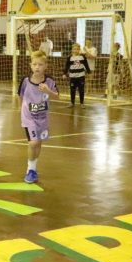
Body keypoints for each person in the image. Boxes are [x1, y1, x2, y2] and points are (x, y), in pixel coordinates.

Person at [18, 51, 59, 183]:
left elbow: (57, 96)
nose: (37, 67)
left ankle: (34, 168)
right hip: (29, 117)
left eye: (40, 64)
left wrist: (48, 91)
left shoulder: (50, 81)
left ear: (46, 66)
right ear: (30, 65)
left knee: (39, 143)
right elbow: (20, 95)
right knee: (33, 142)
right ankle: (29, 170)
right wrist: (21, 109)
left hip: (42, 117)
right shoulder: (25, 81)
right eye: (34, 64)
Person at [63, 44, 91, 108]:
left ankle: (82, 103)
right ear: (72, 50)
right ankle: (72, 103)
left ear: (79, 50)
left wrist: (89, 72)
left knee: (81, 90)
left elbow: (86, 64)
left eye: (77, 49)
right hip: (72, 76)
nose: (76, 50)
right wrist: (64, 73)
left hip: (81, 76)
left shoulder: (82, 57)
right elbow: (67, 66)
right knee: (72, 90)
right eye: (74, 49)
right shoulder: (70, 58)